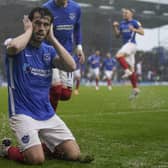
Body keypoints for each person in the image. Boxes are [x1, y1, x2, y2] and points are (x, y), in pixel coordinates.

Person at [0, 7, 93, 165]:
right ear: (29, 24)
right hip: (23, 114)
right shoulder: (15, 43)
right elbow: (14, 47)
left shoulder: (49, 51)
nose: (41, 28)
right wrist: (29, 30)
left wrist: (54, 39)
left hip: (47, 114)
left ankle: (41, 146)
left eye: (46, 24)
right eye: (37, 23)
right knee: (36, 159)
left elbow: (71, 66)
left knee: (74, 154)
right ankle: (6, 149)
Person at [43, 0, 85, 111]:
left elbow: (77, 28)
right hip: (50, 53)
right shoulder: (46, 8)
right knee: (56, 90)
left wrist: (79, 47)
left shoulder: (76, 8)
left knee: (65, 95)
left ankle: (44, 95)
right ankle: (49, 118)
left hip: (67, 54)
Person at [113, 8, 144, 99]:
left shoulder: (135, 22)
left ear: (131, 14)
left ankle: (126, 71)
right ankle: (135, 89)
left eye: (126, 13)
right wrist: (115, 27)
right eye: (123, 13)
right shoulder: (122, 24)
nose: (124, 14)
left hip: (131, 44)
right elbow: (117, 36)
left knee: (118, 56)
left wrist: (134, 29)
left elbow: (142, 32)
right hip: (126, 46)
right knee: (132, 70)